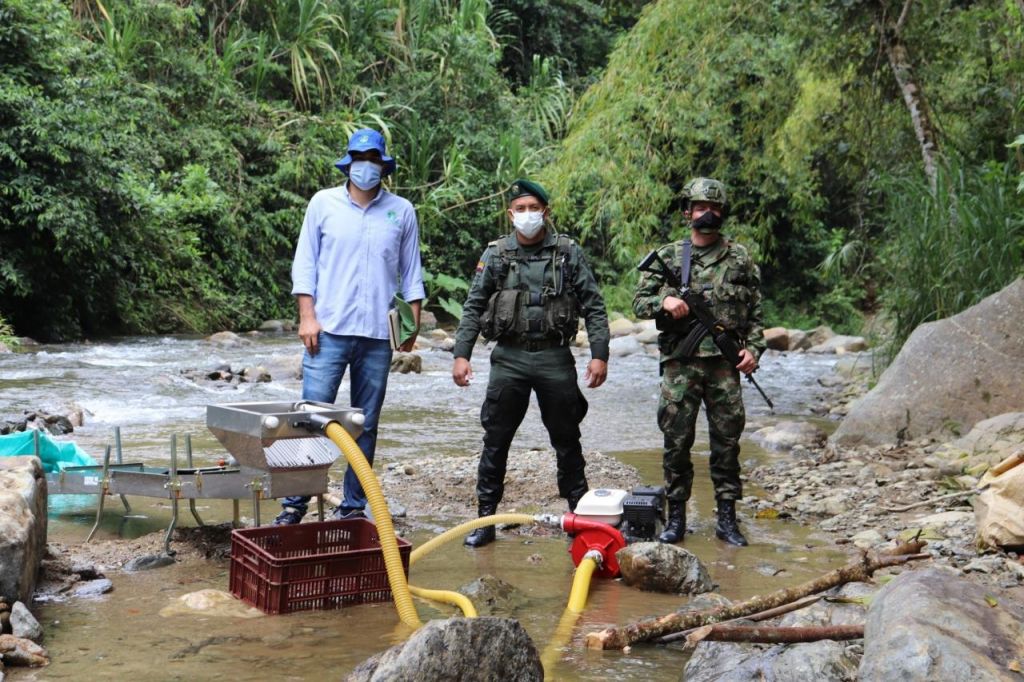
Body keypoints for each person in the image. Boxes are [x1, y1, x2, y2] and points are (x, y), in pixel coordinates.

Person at [274, 128, 425, 525]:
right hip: (328, 331)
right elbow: (305, 262)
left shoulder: (401, 211)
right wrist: (307, 316)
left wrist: (411, 325)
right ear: (349, 163)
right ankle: (294, 505)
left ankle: (353, 506)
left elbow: (411, 273)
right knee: (309, 419)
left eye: (374, 160)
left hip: (377, 335)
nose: (366, 167)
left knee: (364, 424)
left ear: (383, 165)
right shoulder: (323, 204)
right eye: (360, 159)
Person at [452, 179, 611, 548]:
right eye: (520, 209)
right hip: (509, 358)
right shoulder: (496, 254)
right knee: (496, 439)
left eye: (533, 208)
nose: (527, 215)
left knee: (567, 439)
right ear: (510, 214)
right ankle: (485, 520)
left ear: (545, 213)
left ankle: (581, 520)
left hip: (555, 357)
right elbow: (474, 305)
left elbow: (594, 305)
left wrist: (599, 354)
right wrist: (461, 354)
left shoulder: (568, 252)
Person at [633, 177, 765, 546]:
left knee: (727, 443)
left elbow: (756, 311)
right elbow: (639, 303)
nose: (708, 213)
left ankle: (726, 518)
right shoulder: (671, 256)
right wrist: (664, 303)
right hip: (681, 364)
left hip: (725, 366)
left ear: (723, 213)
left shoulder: (740, 257)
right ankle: (676, 518)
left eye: (715, 207)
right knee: (676, 442)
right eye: (700, 206)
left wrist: (753, 349)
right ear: (687, 212)